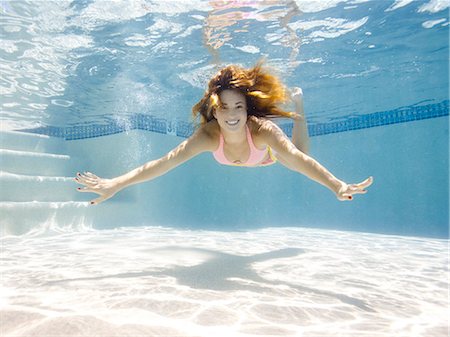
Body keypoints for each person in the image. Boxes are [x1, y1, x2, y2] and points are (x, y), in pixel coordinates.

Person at [75, 62, 373, 205]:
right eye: (225, 108)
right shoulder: (207, 135)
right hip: (243, 155)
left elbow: (298, 158)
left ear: (247, 110)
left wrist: (335, 185)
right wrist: (116, 184)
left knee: (298, 157)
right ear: (214, 110)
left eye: (239, 107)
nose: (232, 115)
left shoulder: (262, 131)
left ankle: (299, 105)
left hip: (264, 156)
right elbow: (163, 163)